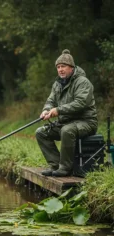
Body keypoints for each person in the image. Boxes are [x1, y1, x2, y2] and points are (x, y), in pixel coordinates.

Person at [36, 49, 97, 177]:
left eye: (63, 66)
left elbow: (80, 103)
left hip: (86, 122)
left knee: (67, 131)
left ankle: (65, 168)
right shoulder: (57, 84)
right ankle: (55, 164)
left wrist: (58, 110)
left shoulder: (82, 82)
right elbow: (50, 100)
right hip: (65, 123)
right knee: (41, 132)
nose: (60, 69)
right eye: (58, 67)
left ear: (71, 67)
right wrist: (46, 110)